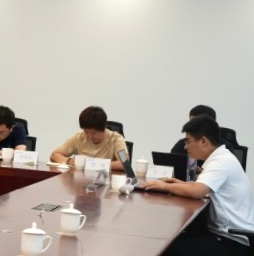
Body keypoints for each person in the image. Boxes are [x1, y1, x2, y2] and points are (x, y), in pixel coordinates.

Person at [144, 116, 254, 256]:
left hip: (232, 241)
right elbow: (201, 186)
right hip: (223, 234)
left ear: (203, 141)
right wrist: (181, 184)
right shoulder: (220, 157)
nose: (185, 147)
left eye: (188, 141)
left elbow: (197, 191)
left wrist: (164, 186)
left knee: (166, 248)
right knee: (170, 240)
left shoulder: (220, 162)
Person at [50, 106, 127, 171]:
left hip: (105, 179)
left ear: (103, 129)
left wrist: (94, 164)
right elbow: (54, 155)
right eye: (86, 132)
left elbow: (125, 164)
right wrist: (69, 161)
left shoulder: (116, 139)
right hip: (80, 180)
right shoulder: (79, 137)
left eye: (93, 133)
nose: (89, 136)